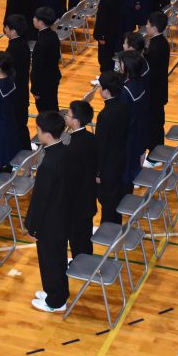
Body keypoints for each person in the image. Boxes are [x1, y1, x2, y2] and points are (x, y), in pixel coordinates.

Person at [27, 110, 71, 313]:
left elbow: (40, 200)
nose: (37, 133)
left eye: (38, 129)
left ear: (46, 134)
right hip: (63, 214)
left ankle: (56, 301)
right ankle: (56, 291)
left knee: (49, 260)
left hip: (50, 222)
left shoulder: (48, 164)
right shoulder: (65, 151)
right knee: (58, 258)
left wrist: (32, 226)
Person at [65, 100, 99, 258]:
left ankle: (79, 263)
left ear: (76, 121)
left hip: (75, 201)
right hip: (89, 196)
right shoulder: (92, 139)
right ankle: (87, 260)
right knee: (85, 235)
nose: (66, 116)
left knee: (76, 238)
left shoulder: (70, 145)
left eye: (68, 114)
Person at [118, 50, 150, 185]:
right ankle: (136, 174)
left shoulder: (126, 91)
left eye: (120, 62)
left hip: (130, 131)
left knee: (129, 160)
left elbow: (123, 115)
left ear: (126, 66)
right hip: (140, 125)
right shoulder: (139, 81)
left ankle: (131, 181)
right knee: (138, 152)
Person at [4, 14, 33, 151]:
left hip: (15, 93)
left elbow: (8, 73)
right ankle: (26, 150)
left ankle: (20, 153)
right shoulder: (23, 44)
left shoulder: (12, 49)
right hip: (22, 91)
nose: (4, 30)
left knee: (16, 126)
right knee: (22, 125)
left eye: (6, 27)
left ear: (13, 31)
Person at [144, 11, 170, 158]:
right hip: (159, 90)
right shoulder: (161, 42)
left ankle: (155, 157)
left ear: (154, 28)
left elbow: (150, 73)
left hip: (154, 92)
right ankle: (155, 153)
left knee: (154, 124)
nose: (146, 26)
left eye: (148, 24)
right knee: (156, 123)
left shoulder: (155, 47)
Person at [0, 50, 19, 172]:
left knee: (2, 162)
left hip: (0, 130)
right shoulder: (11, 81)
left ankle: (4, 183)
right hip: (11, 125)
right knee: (9, 159)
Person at [30, 7, 62, 111]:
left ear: (41, 22)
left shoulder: (41, 43)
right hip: (53, 77)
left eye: (35, 18)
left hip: (44, 83)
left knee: (45, 111)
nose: (33, 19)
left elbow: (37, 68)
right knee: (53, 105)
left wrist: (35, 89)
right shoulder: (53, 34)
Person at [94, 0, 122, 73]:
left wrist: (101, 36)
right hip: (113, 33)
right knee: (109, 58)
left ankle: (106, 78)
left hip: (106, 35)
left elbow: (102, 19)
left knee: (104, 60)